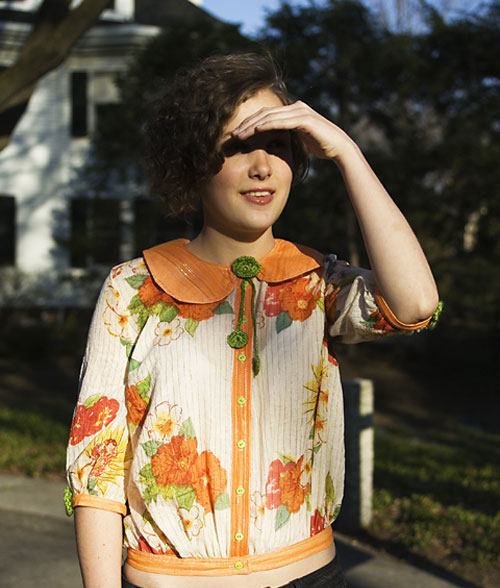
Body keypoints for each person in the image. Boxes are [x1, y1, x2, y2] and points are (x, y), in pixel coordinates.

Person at [65, 53, 440, 588]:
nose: (262, 166)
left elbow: (416, 303)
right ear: (195, 162)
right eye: (236, 146)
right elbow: (97, 465)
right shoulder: (133, 287)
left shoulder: (314, 281)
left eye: (280, 145)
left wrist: (346, 151)